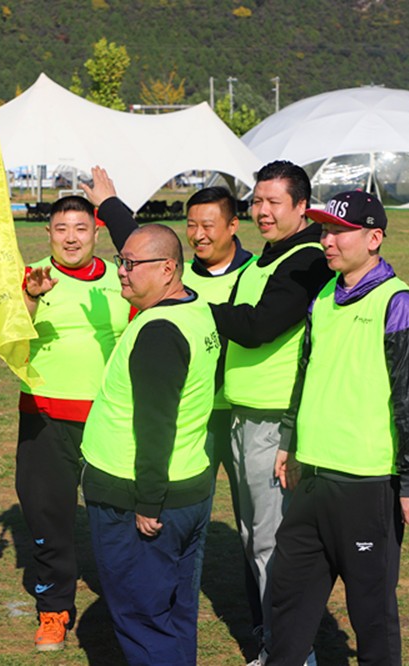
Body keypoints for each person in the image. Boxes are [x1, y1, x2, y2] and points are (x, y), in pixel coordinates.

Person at [83, 168, 263, 622]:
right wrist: (110, 205)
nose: (198, 235)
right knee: (185, 536)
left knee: (256, 529)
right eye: (192, 225)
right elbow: (144, 249)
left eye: (208, 225)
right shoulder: (184, 282)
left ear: (232, 226)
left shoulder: (253, 274)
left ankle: (269, 631)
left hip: (236, 414)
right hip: (191, 422)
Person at [266, 190, 409, 665]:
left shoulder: (397, 302)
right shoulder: (322, 296)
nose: (327, 241)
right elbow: (306, 372)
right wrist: (289, 439)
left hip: (367, 484)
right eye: (324, 231)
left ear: (374, 238)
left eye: (340, 232)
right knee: (289, 596)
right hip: (313, 477)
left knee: (371, 611)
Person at [208, 161, 333, 666]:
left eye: (273, 202)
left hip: (274, 422)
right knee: (254, 537)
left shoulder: (306, 260)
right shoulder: (265, 259)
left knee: (272, 543)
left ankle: (290, 653)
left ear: (302, 207)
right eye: (256, 201)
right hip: (245, 417)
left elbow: (260, 326)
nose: (261, 211)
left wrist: (196, 308)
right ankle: (276, 643)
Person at [81, 224, 221, 666]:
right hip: (188, 487)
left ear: (167, 269)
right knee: (175, 612)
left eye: (131, 264)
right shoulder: (197, 309)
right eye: (120, 261)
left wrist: (148, 501)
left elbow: (155, 423)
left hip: (141, 499)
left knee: (144, 620)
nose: (121, 271)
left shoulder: (159, 330)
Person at [16, 195, 130, 651]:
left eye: (80, 228)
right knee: (48, 514)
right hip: (45, 416)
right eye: (61, 228)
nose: (70, 238)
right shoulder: (33, 276)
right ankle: (54, 611)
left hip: (109, 417)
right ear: (48, 233)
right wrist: (29, 298)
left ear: (96, 233)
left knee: (119, 517)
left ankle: (127, 609)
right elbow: (11, 334)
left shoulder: (121, 277)